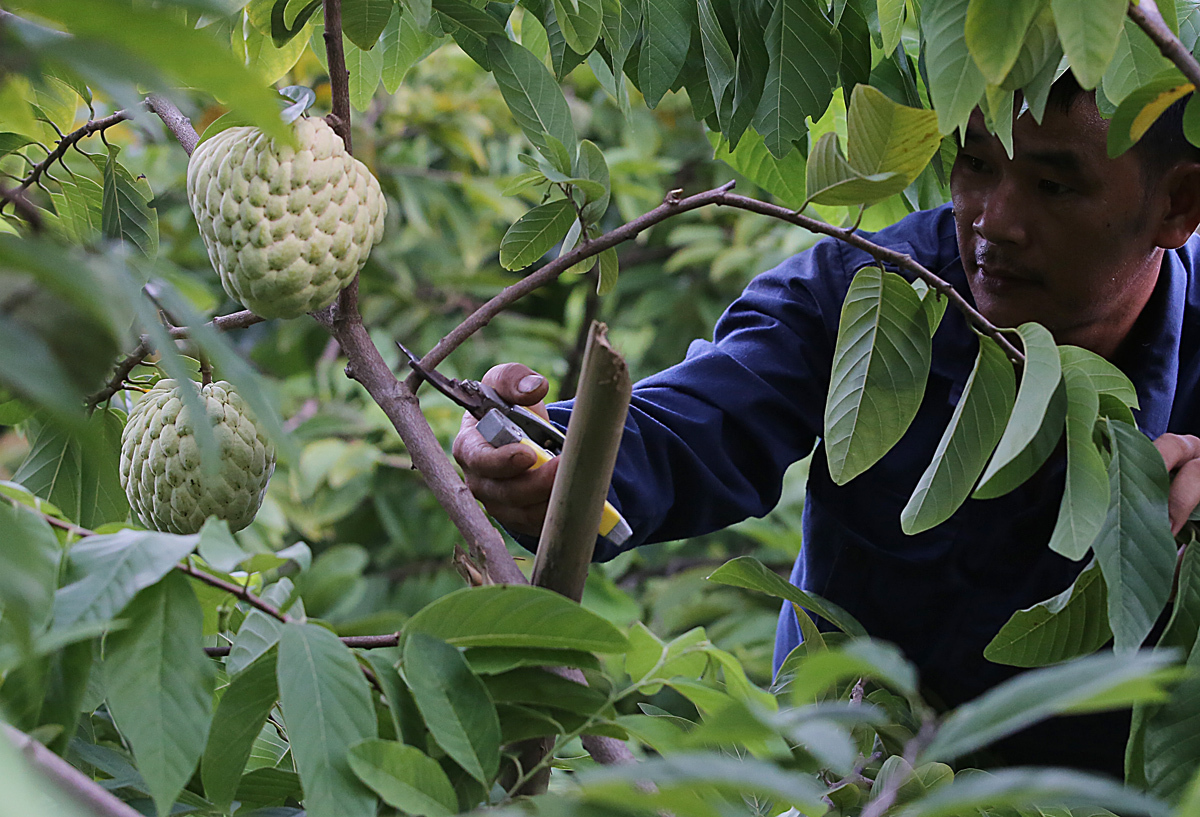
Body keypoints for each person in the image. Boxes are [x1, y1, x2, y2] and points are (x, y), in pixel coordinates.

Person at [453, 75, 1200, 775]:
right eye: (975, 163)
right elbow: (698, 419)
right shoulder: (870, 295)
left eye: (1052, 184)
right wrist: (547, 454)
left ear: (1178, 204)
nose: (994, 220)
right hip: (843, 780)